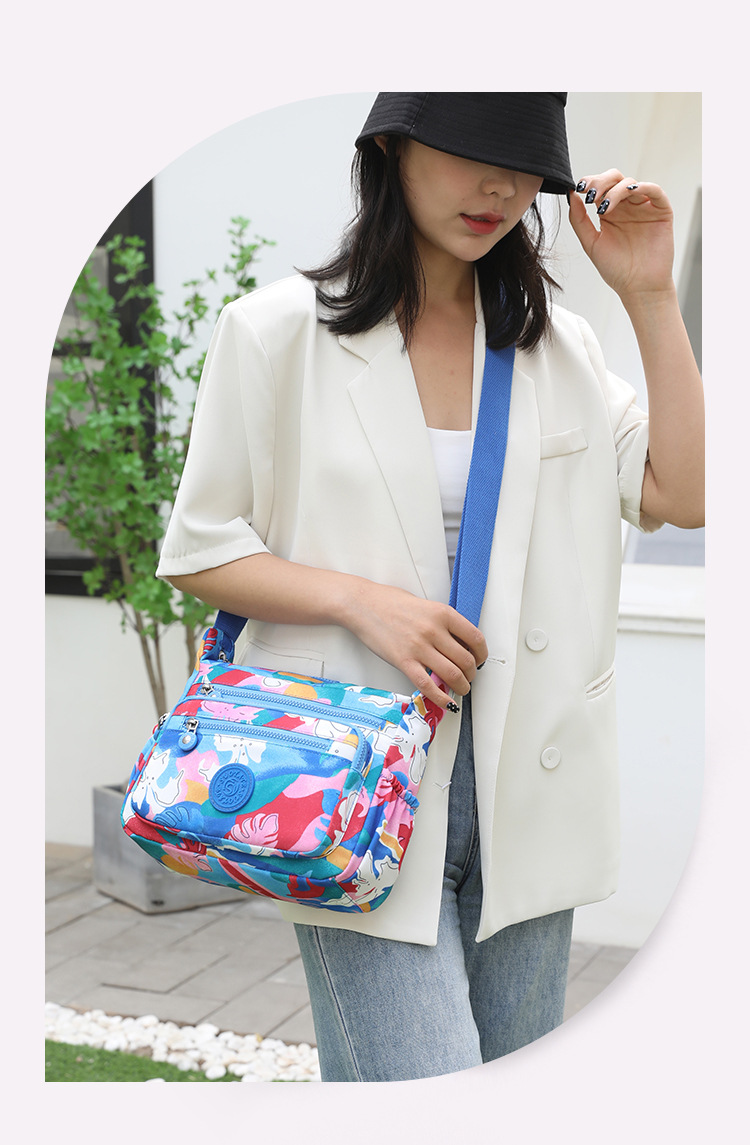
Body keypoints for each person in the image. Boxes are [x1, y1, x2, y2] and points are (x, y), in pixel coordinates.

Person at [156, 93, 704, 1082]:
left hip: (534, 786)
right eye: (465, 150)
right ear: (391, 148)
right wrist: (360, 601)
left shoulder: (559, 346)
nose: (498, 185)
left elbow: (687, 492)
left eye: (524, 165)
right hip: (354, 785)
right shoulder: (275, 334)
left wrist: (652, 296)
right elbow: (199, 549)